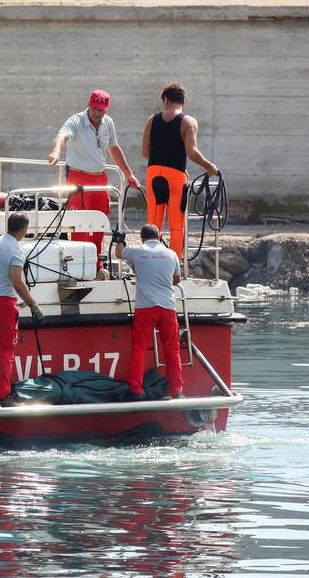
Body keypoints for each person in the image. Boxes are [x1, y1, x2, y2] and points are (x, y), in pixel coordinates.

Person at [46, 90, 141, 258]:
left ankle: (95, 262)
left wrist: (128, 174)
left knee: (100, 222)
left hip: (100, 179)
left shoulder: (108, 122)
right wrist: (56, 151)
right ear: (89, 105)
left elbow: (114, 148)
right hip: (78, 178)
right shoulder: (75, 121)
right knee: (79, 224)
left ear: (106, 109)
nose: (97, 113)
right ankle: (76, 263)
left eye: (101, 110)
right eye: (95, 108)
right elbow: (62, 136)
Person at [142, 81, 219, 260]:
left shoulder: (152, 120)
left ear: (166, 100)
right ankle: (173, 267)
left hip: (153, 174)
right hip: (175, 177)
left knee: (153, 224)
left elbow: (145, 153)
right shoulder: (188, 121)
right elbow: (192, 152)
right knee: (177, 226)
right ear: (182, 102)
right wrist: (210, 167)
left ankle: (150, 261)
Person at [0, 212, 46, 404]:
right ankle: (3, 394)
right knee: (6, 352)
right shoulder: (16, 250)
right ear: (24, 229)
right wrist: (34, 305)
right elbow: (17, 281)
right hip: (3, 305)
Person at [114, 223, 184, 399]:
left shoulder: (138, 250)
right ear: (159, 237)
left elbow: (119, 253)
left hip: (146, 308)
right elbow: (176, 280)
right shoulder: (171, 254)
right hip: (168, 308)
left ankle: (136, 390)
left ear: (142, 238)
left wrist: (120, 240)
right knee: (172, 350)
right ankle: (176, 391)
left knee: (139, 349)